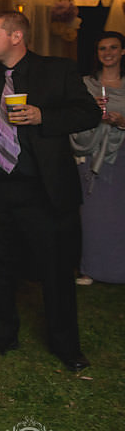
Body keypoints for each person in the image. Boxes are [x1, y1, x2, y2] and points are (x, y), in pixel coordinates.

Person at [0, 12, 100, 371]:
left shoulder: (58, 70)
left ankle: (66, 346)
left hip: (43, 193)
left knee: (55, 272)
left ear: (16, 36)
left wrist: (42, 116)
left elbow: (88, 113)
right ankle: (1, 336)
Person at [70, 31, 125, 285]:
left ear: (122, 51)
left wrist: (121, 121)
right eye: (103, 49)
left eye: (113, 48)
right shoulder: (85, 84)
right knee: (92, 214)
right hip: (91, 154)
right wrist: (90, 111)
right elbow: (70, 116)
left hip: (121, 154)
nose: (108, 53)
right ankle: (90, 269)